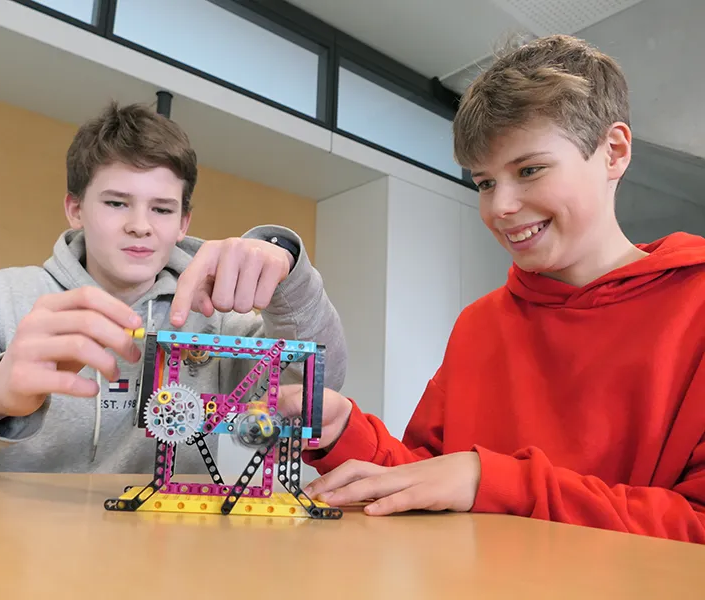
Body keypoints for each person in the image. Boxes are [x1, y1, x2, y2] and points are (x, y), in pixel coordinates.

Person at [274, 34, 705, 544]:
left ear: (613, 151)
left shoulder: (694, 306)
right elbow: (426, 478)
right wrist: (346, 433)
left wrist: (494, 480)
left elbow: (694, 523)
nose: (500, 207)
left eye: (529, 170)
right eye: (484, 183)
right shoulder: (479, 323)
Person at [0, 102, 347, 474]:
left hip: (169, 539)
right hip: (25, 540)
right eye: (117, 202)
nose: (139, 226)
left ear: (183, 222)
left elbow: (315, 389)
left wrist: (292, 280)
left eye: (162, 209)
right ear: (75, 209)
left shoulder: (216, 315)